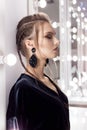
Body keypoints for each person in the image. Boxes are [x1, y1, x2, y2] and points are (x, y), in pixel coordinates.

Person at [6, 12, 70, 130]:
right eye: (49, 36)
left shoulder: (47, 80)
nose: (57, 41)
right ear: (30, 44)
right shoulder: (23, 89)